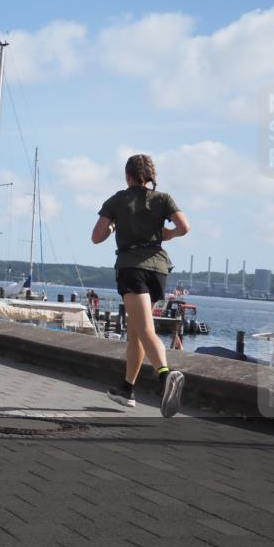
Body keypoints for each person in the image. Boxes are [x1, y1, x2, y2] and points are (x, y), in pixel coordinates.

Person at [91, 154, 190, 417]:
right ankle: (127, 389)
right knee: (135, 331)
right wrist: (168, 234)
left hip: (131, 268)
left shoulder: (118, 200)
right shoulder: (163, 199)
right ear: (150, 176)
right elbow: (185, 226)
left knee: (144, 328)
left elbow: (96, 237)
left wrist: (113, 226)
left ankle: (165, 375)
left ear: (128, 176)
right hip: (158, 269)